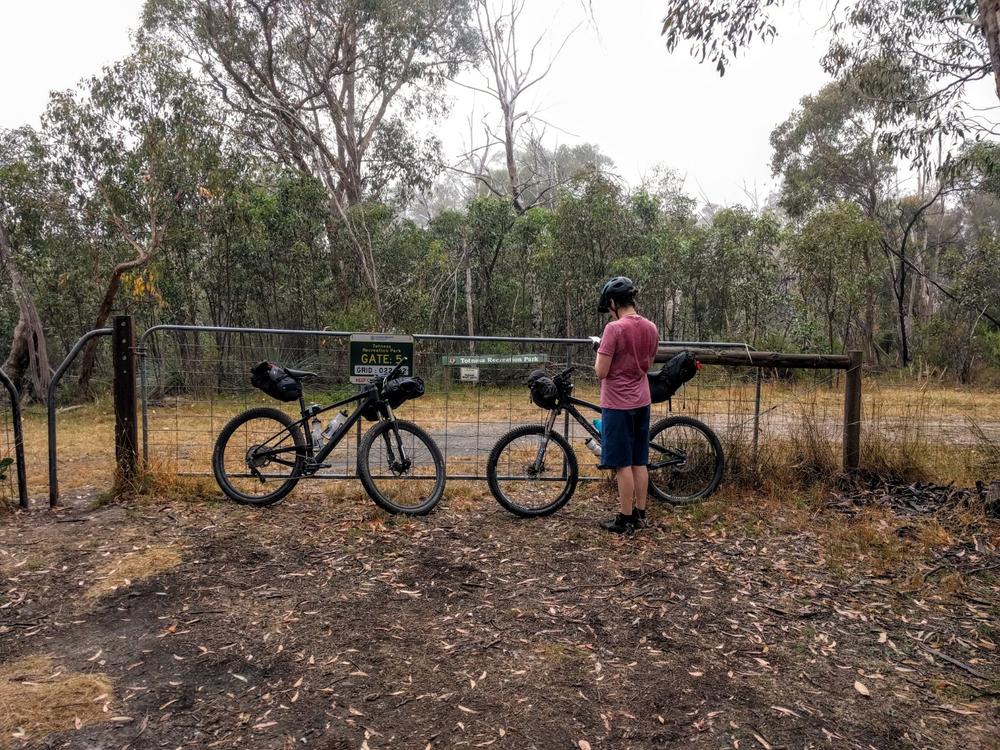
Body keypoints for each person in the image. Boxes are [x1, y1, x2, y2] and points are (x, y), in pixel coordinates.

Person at [593, 276, 659, 533]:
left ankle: (625, 518)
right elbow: (648, 363)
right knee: (639, 461)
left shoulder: (614, 329)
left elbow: (601, 371)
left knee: (623, 464)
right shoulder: (651, 328)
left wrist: (599, 351)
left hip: (617, 403)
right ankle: (641, 514)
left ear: (613, 302)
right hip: (642, 400)